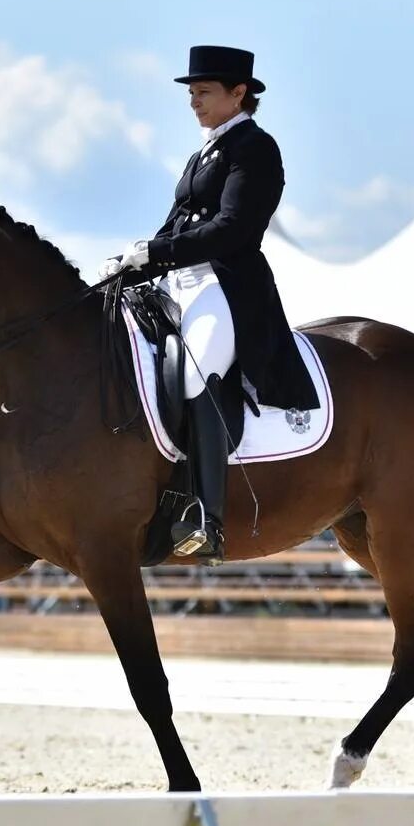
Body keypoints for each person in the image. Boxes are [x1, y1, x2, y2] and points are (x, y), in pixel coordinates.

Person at [101, 45, 318, 562]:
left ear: (238, 93)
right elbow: (177, 224)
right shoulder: (205, 152)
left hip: (225, 285)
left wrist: (157, 252)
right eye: (192, 93)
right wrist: (133, 263)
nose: (193, 101)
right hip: (178, 283)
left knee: (197, 373)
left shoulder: (255, 148)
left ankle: (204, 516)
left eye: (203, 92)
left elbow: (232, 229)